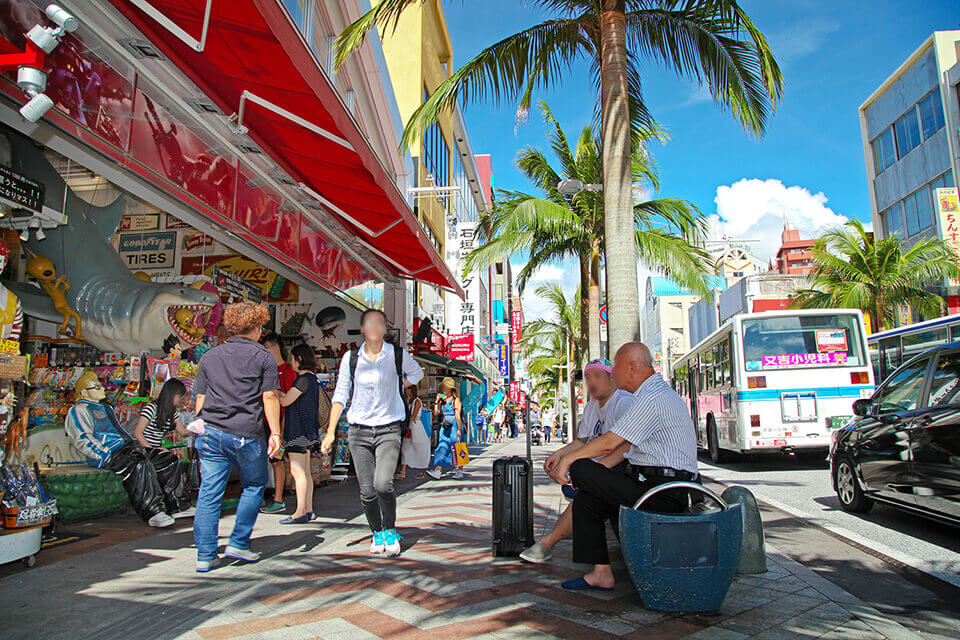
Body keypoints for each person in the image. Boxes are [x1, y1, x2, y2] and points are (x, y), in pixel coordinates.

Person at [553, 343, 700, 591]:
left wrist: (568, 460)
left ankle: (577, 486)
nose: (615, 375)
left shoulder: (653, 397)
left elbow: (610, 442)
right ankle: (601, 573)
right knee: (587, 501)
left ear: (632, 367)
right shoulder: (649, 394)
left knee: (581, 469)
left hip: (664, 490)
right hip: (647, 482)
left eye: (617, 368)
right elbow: (619, 446)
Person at [325, 308, 424, 558]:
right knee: (367, 489)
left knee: (383, 484)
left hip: (389, 429)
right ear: (363, 329)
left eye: (379, 323)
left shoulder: (397, 355)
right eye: (369, 323)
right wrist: (330, 432)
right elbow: (340, 395)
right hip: (358, 432)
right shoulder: (351, 358)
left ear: (384, 330)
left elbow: (418, 373)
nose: (374, 328)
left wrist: (398, 385)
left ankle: (390, 530)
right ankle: (377, 532)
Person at [192, 302, 281, 573]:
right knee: (254, 485)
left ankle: (206, 555)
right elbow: (269, 397)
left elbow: (199, 401)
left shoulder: (209, 356)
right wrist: (275, 432)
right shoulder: (264, 357)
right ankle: (239, 542)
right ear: (254, 327)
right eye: (261, 326)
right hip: (246, 433)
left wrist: (203, 425)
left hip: (211, 431)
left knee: (209, 493)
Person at [520, 359, 634, 564]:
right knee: (583, 490)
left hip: (626, 471)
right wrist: (558, 455)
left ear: (612, 379)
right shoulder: (592, 406)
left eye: (598, 376)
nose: (592, 382)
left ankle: (548, 545)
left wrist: (596, 471)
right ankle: (591, 565)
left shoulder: (623, 402)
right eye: (589, 377)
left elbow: (627, 446)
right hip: (603, 472)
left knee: (587, 496)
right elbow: (582, 441)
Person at [65, 372, 190, 528]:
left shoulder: (106, 408)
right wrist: (104, 454)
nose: (102, 389)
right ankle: (153, 511)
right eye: (96, 387)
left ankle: (177, 505)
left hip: (128, 447)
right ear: (83, 392)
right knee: (140, 464)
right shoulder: (79, 410)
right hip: (111, 452)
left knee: (168, 460)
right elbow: (82, 437)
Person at [277, 344, 329, 524]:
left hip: (298, 431)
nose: (291, 362)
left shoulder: (302, 380)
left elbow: (285, 401)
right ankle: (308, 509)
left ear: (299, 359)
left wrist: (274, 393)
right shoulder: (313, 379)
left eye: (292, 358)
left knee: (297, 472)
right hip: (309, 431)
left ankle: (299, 512)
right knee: (305, 472)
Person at [260, 333, 297, 515]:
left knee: (277, 460)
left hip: (280, 423)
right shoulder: (263, 370)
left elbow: (289, 402)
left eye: (265, 347)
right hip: (262, 422)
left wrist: (281, 431)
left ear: (274, 347)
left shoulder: (287, 370)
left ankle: (278, 499)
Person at [133, 378, 189, 449]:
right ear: (172, 395)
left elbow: (183, 432)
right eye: (181, 396)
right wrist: (152, 450)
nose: (183, 399)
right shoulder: (151, 408)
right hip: (143, 450)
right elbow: (137, 433)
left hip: (154, 452)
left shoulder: (172, 412)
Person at [426, 377, 463, 480]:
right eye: (443, 387)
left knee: (457, 448)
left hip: (454, 426)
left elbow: (458, 415)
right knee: (442, 446)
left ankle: (460, 470)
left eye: (446, 387)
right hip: (445, 426)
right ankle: (438, 470)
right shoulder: (442, 400)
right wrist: (437, 402)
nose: (444, 389)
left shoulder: (456, 400)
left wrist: (459, 429)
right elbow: (436, 413)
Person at [398, 384, 427, 479]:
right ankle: (403, 472)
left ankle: (423, 471)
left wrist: (404, 423)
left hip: (415, 426)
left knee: (419, 448)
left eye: (407, 389)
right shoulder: (409, 401)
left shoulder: (417, 401)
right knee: (405, 448)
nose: (406, 391)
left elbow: (413, 416)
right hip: (411, 426)